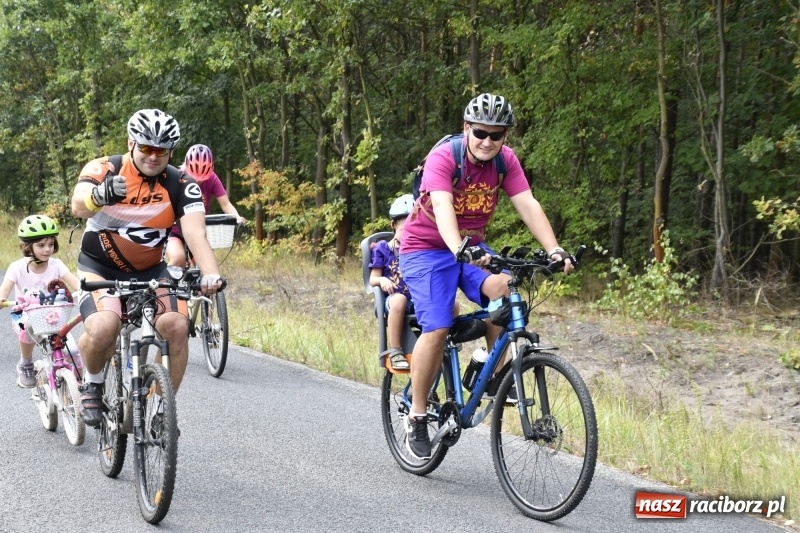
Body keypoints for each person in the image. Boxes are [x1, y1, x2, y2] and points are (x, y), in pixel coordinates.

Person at [399, 93, 575, 460]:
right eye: (480, 132)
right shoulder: (444, 156)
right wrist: (458, 247)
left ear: (505, 137)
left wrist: (555, 249)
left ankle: (494, 376)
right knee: (438, 325)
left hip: (472, 248)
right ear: (467, 129)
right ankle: (417, 415)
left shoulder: (505, 162)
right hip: (425, 249)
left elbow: (527, 203)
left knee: (508, 289)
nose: (487, 141)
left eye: (497, 135)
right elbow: (444, 207)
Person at [70, 108, 223, 428]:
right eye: (146, 148)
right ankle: (94, 382)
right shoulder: (105, 168)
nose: (154, 156)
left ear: (171, 151)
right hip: (99, 268)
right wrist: (100, 195)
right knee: (102, 329)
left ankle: (159, 407)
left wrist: (211, 274)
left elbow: (196, 234)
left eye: (162, 150)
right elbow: (78, 205)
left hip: (151, 270)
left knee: (177, 327)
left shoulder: (182, 183)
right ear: (131, 144)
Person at [0, 215, 79, 387]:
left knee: (72, 350)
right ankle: (26, 363)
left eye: (51, 244)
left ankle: (77, 381)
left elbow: (76, 283)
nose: (47, 249)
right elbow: (4, 290)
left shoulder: (56, 265)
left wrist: (87, 288)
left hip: (53, 313)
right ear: (27, 246)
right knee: (26, 330)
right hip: (24, 312)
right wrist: (2, 298)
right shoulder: (17, 267)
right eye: (41, 245)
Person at [165, 144, 247, 267]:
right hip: (175, 232)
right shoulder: (177, 178)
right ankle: (164, 284)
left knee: (207, 267)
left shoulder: (212, 179)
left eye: (203, 178)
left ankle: (200, 285)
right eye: (194, 176)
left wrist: (237, 217)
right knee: (178, 259)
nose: (198, 181)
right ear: (186, 167)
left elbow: (225, 204)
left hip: (197, 232)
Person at [368, 194, 415, 371]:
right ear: (394, 225)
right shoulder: (383, 249)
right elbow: (373, 278)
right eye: (404, 230)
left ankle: (446, 345)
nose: (408, 235)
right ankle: (395, 350)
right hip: (393, 301)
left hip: (417, 299)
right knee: (399, 299)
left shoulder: (420, 251)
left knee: (450, 303)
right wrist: (382, 280)